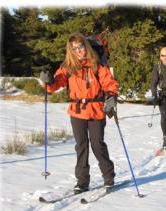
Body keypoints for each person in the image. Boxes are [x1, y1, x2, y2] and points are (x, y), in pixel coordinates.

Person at [40, 32, 118, 194]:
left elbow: (109, 83)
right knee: (81, 146)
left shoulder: (97, 64)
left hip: (96, 110)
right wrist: (47, 81)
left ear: (85, 46)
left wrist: (111, 96)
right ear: (71, 50)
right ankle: (82, 182)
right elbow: (54, 86)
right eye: (74, 48)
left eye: (80, 47)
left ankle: (108, 177)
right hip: (77, 111)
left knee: (97, 145)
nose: (78, 51)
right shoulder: (67, 67)